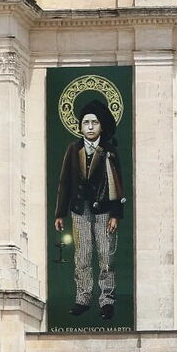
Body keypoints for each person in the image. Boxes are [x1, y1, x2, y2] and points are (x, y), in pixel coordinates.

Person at [54, 100, 125, 319]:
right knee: (82, 256)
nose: (91, 126)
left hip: (103, 210)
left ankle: (107, 300)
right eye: (86, 122)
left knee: (106, 256)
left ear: (101, 126)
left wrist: (115, 214)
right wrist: (60, 213)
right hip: (79, 210)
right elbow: (64, 181)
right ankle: (82, 298)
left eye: (95, 122)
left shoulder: (109, 150)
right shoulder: (73, 149)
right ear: (80, 127)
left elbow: (116, 183)